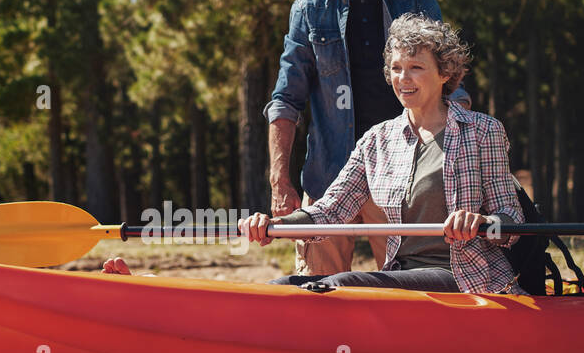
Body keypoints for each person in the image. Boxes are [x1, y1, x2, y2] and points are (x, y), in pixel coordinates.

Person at [105, 15, 525, 295]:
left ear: (445, 73)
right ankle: (152, 289)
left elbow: (512, 223)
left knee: (337, 284)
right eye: (396, 68)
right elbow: (329, 213)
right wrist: (275, 224)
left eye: (415, 67)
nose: (403, 78)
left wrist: (483, 223)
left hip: (465, 278)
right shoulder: (377, 141)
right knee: (289, 282)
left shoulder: (482, 131)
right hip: (401, 278)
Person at [263, 0, 471, 278]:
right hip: (328, 178)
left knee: (406, 295)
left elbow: (450, 85)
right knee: (316, 296)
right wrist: (280, 180)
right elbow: (285, 100)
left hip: (403, 180)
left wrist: (457, 168)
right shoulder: (309, 8)